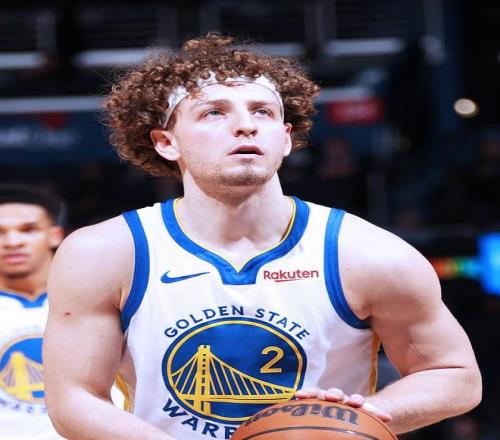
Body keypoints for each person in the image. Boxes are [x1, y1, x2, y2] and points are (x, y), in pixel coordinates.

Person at [43, 33, 481, 440]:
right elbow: (74, 399)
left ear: (285, 139)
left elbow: (454, 374)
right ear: (165, 142)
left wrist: (352, 417)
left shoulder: (367, 253)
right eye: (214, 113)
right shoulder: (105, 253)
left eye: (263, 112)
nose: (246, 126)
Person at [0, 184, 65, 440]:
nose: (13, 242)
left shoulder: (107, 299)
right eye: (0, 232)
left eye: (28, 230)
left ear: (55, 235)